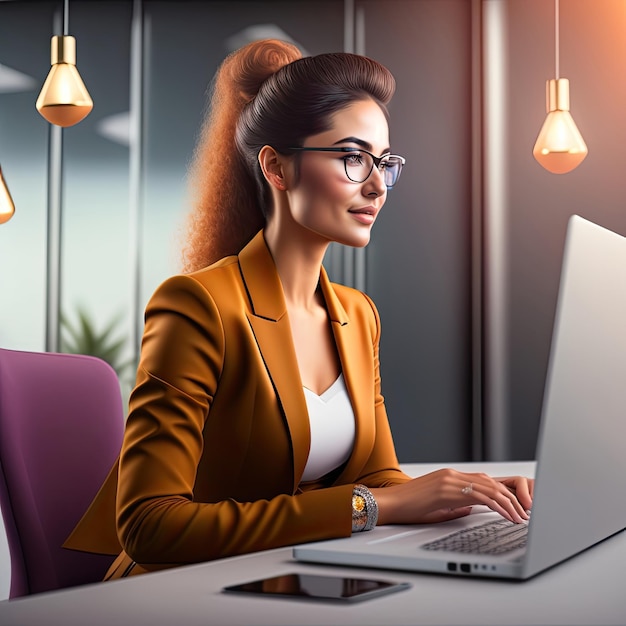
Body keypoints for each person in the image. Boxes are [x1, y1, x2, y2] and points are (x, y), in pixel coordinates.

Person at [64, 39, 533, 579]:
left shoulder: (357, 316)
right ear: (277, 168)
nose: (378, 185)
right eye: (354, 158)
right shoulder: (198, 306)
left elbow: (379, 476)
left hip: (289, 579)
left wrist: (472, 495)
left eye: (384, 161)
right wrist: (372, 508)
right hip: (179, 592)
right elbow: (150, 526)